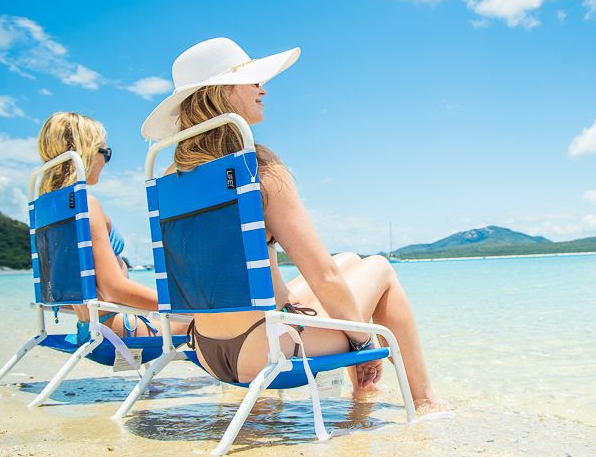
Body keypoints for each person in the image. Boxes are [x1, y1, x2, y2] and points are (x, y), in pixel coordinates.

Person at [141, 38, 442, 411]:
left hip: (206, 348)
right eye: (252, 80)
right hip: (264, 352)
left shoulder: (170, 179)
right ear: (221, 92)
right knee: (379, 267)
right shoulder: (256, 168)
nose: (262, 88)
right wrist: (365, 345)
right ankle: (424, 401)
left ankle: (363, 397)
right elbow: (323, 277)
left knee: (349, 259)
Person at [37, 112, 185, 339]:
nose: (106, 162)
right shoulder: (85, 205)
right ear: (86, 152)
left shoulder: (50, 209)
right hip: (117, 329)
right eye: (105, 153)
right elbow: (113, 289)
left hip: (89, 328)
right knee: (212, 319)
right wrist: (181, 304)